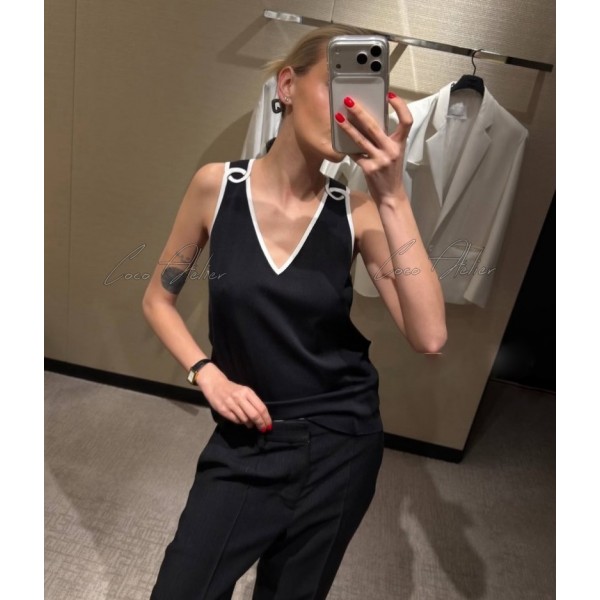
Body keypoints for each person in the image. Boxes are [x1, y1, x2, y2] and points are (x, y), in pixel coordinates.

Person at [142, 23, 446, 600]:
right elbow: (158, 298)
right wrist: (206, 373)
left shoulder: (358, 212)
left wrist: (392, 195)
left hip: (342, 445)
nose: (349, 109)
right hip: (247, 438)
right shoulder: (217, 188)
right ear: (286, 85)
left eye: (362, 94)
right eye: (336, 84)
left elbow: (430, 335)